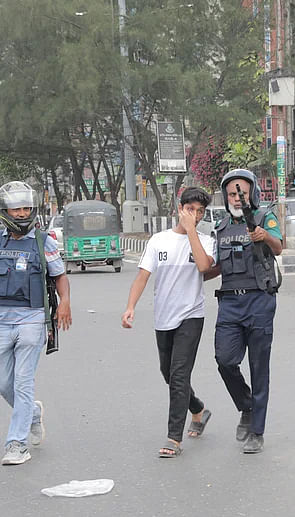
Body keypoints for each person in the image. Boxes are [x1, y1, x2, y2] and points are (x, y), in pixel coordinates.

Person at [0, 181, 72, 466]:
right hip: (2, 322)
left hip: (33, 320)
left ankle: (16, 443)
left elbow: (59, 277)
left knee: (22, 383)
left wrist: (65, 302)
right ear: (5, 211)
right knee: (2, 383)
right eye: (15, 209)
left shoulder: (44, 242)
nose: (21, 214)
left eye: (25, 208)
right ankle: (32, 414)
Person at [121, 187, 216, 458]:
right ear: (179, 209)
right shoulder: (159, 241)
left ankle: (174, 437)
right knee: (168, 373)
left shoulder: (206, 241)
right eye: (190, 210)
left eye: (200, 212)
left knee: (179, 375)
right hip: (163, 317)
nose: (195, 215)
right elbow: (142, 276)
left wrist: (192, 232)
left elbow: (203, 267)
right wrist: (130, 307)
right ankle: (197, 409)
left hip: (191, 315)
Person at [208, 169, 282, 454]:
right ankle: (246, 406)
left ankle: (257, 432)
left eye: (242, 192)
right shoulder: (222, 226)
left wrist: (264, 237)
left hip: (259, 301)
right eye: (231, 193)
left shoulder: (264, 219)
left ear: (253, 193)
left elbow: (278, 247)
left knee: (259, 368)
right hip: (229, 303)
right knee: (225, 360)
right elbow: (214, 266)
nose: (237, 198)